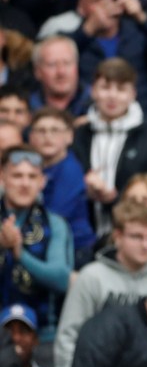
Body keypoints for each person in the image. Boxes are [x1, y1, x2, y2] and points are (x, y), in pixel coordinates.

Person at [54, 200, 147, 367]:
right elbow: (69, 335)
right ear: (117, 236)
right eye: (137, 236)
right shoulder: (92, 277)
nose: (146, 245)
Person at [72, 58, 147, 239]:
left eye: (121, 89)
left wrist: (115, 200)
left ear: (133, 93)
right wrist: (83, 188)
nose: (112, 96)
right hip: (82, 235)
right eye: (105, 87)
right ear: (93, 91)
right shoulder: (79, 135)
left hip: (136, 237)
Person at [0, 145, 73, 347]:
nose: (25, 183)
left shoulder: (55, 224)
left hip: (41, 336)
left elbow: (61, 279)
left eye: (32, 177)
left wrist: (19, 253)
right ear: (2, 177)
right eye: (17, 176)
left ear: (42, 182)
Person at [29, 107, 96, 265]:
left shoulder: (70, 169)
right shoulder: (34, 169)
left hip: (76, 250)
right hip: (48, 244)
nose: (48, 136)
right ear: (31, 137)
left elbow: (56, 214)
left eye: (55, 130)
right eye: (41, 131)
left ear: (69, 137)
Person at [29, 36, 92, 118]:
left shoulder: (95, 103)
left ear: (76, 67)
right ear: (37, 71)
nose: (61, 72)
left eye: (67, 63)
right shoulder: (25, 108)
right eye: (52, 64)